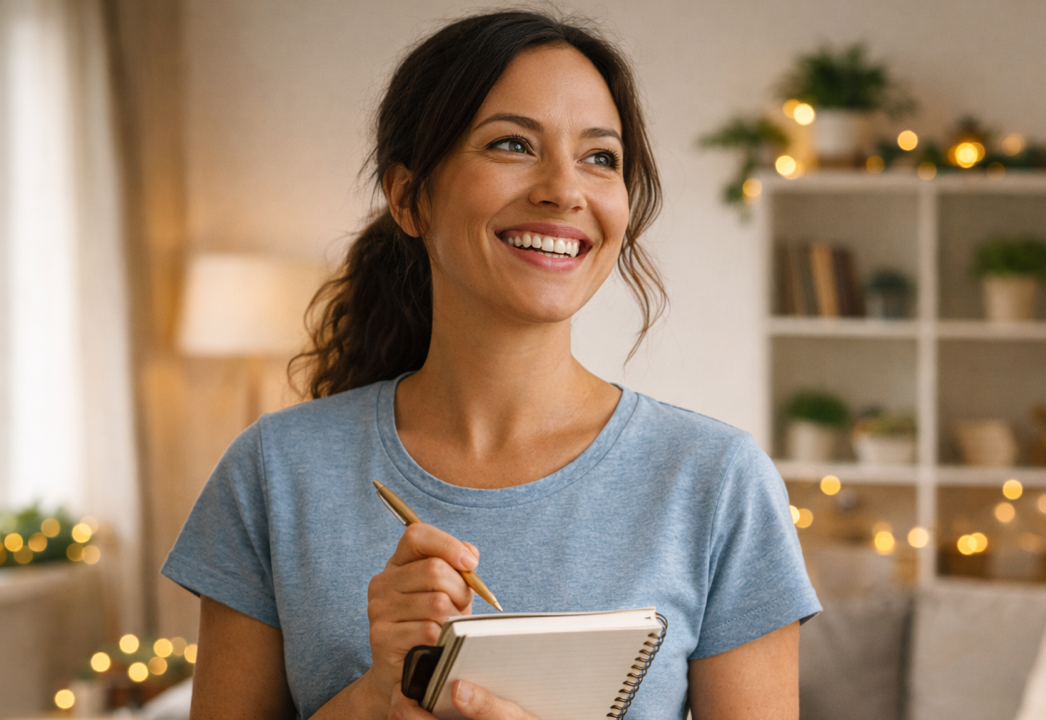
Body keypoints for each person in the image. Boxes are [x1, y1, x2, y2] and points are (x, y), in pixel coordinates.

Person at [162, 10, 819, 720]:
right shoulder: (274, 472)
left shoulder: (717, 483)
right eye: (512, 144)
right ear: (409, 197)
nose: (565, 190)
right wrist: (372, 699)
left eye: (601, 157)